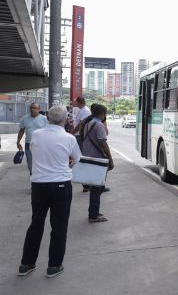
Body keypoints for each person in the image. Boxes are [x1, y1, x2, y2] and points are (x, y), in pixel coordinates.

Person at [18, 105, 81, 278]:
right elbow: (77, 157)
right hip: (61, 185)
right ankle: (54, 266)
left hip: (38, 185)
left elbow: (34, 152)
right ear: (65, 120)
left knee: (36, 224)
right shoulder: (69, 138)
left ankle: (26, 264)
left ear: (47, 118)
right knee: (59, 226)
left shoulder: (36, 135)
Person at [82, 104, 114, 223]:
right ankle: (93, 215)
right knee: (97, 188)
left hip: (89, 158)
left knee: (96, 187)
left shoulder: (87, 124)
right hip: (97, 160)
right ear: (103, 114)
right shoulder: (98, 125)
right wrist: (110, 159)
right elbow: (103, 143)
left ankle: (94, 211)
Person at [16, 103, 48, 175]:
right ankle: (33, 176)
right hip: (29, 144)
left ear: (39, 109)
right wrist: (18, 142)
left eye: (34, 108)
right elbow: (21, 130)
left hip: (41, 144)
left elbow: (48, 131)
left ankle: (42, 177)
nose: (32, 109)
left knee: (41, 162)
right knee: (30, 162)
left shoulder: (44, 119)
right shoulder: (25, 118)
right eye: (31, 108)